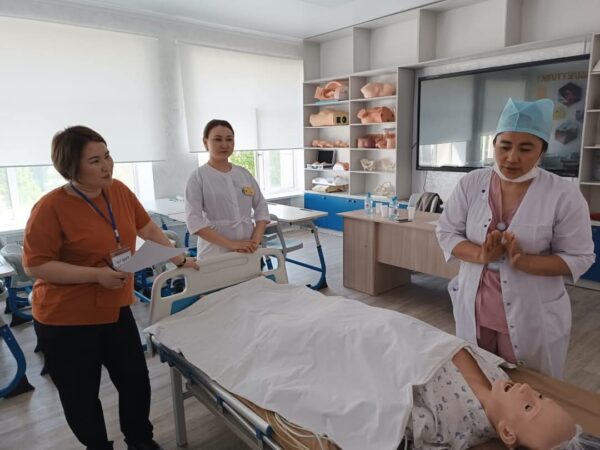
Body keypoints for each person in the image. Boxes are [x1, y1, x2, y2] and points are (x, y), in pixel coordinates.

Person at [23, 126, 199, 450]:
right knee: (81, 394)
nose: (107, 166)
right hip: (66, 319)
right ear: (70, 167)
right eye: (95, 161)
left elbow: (147, 227)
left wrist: (178, 258)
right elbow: (35, 265)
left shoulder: (118, 190)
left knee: (135, 381)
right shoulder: (50, 208)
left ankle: (140, 441)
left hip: (115, 307)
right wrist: (95, 275)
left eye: (107, 156)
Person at [436, 98, 595, 378]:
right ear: (494, 145)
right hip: (476, 306)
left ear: (542, 150)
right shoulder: (471, 183)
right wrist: (481, 255)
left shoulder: (563, 194)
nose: (512, 158)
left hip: (532, 314)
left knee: (529, 387)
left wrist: (525, 262)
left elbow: (580, 257)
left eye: (525, 148)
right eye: (505, 146)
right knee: (479, 381)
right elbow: (447, 231)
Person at [184, 119, 270, 259]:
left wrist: (255, 241)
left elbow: (261, 207)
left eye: (229, 139)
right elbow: (194, 220)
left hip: (248, 250)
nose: (224, 145)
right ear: (205, 143)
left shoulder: (243, 174)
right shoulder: (198, 177)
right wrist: (232, 244)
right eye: (218, 139)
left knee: (250, 274)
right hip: (214, 253)